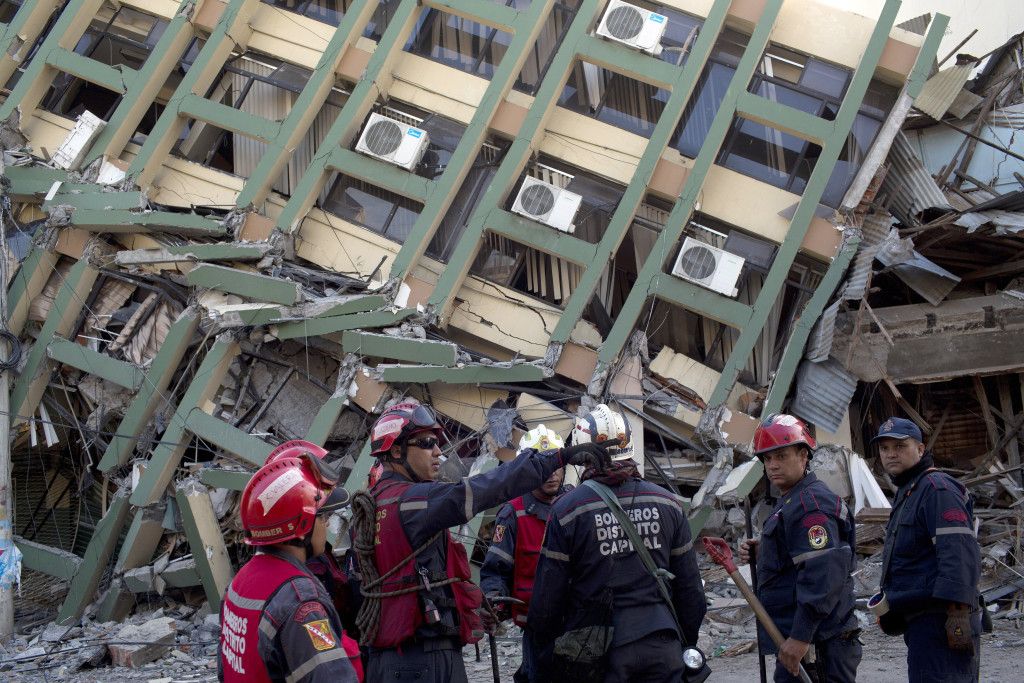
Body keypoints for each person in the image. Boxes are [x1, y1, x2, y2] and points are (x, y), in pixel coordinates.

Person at [351, 400, 610, 683]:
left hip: (390, 658)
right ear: (396, 451)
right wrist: (556, 458)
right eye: (426, 443)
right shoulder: (414, 502)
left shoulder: (373, 505)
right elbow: (483, 489)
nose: (438, 452)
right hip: (423, 658)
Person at [529, 404, 706, 683]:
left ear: (582, 452)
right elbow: (690, 591)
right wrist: (683, 640)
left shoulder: (567, 511)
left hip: (598, 652)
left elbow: (547, 600)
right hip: (664, 645)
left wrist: (548, 653)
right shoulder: (668, 503)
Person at [218, 440, 362, 682]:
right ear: (301, 525)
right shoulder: (301, 600)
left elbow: (224, 671)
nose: (326, 525)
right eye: (322, 516)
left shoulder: (240, 582)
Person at [738, 414, 861, 683]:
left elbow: (823, 576)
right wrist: (768, 551)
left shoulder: (810, 506)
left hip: (819, 644)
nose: (773, 465)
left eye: (781, 456)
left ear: (803, 455)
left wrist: (800, 636)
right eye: (767, 459)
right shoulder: (793, 501)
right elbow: (799, 558)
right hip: (805, 641)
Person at [871, 417, 982, 682]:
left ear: (920, 449)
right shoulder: (910, 490)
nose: (890, 454)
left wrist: (957, 615)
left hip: (942, 623)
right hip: (921, 623)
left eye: (899, 446)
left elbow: (959, 553)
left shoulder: (936, 489)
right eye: (884, 448)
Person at [480, 425, 569, 683]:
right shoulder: (513, 513)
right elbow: (495, 569)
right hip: (536, 623)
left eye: (556, 465)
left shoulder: (577, 503)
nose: (551, 474)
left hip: (575, 620)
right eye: (542, 466)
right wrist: (494, 601)